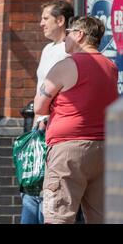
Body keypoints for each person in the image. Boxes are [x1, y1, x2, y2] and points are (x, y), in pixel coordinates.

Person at [34, 16, 118, 224]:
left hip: (68, 151)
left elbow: (39, 106)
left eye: (69, 33)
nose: (65, 39)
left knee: (58, 217)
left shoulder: (66, 65)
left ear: (79, 35)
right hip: (104, 149)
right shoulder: (110, 66)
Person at [20, 0, 74, 224]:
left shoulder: (69, 50)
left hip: (56, 128)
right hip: (39, 127)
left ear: (60, 20)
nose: (40, 23)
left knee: (49, 192)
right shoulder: (47, 49)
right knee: (31, 186)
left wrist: (49, 118)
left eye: (45, 18)